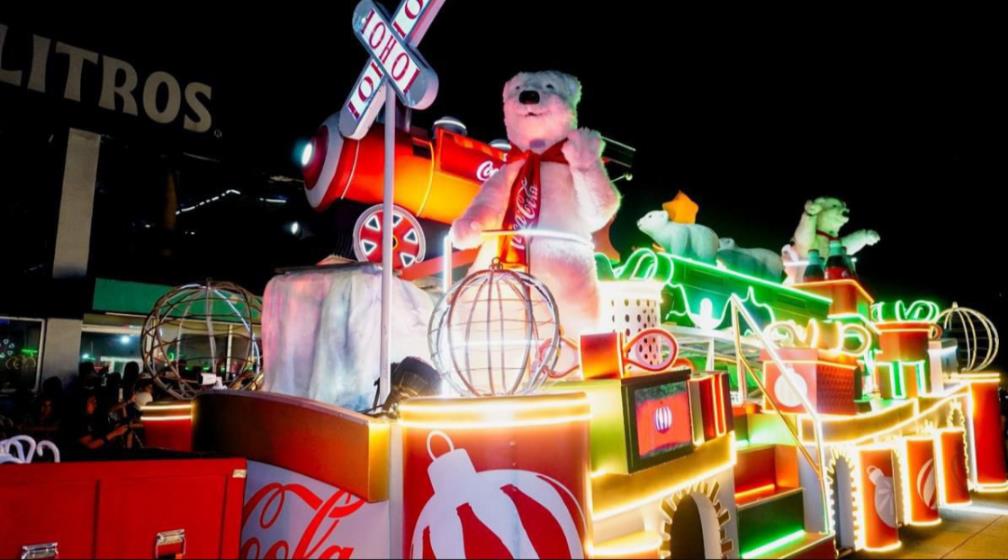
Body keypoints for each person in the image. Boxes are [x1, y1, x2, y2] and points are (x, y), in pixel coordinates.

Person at [60, 390, 129, 458]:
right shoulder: (77, 421)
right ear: (83, 403)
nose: (95, 404)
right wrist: (115, 433)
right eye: (92, 402)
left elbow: (109, 411)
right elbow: (90, 445)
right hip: (84, 459)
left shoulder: (91, 416)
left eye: (95, 402)